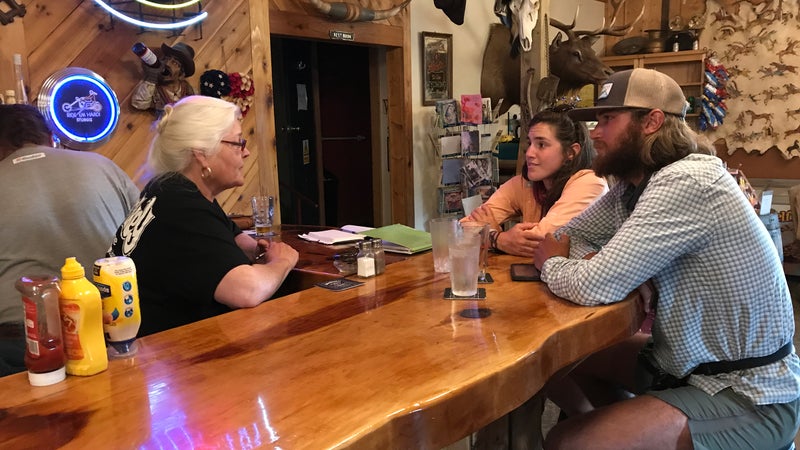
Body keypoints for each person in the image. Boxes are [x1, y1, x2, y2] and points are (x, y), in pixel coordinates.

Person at [533, 68, 800, 449]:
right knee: (556, 361)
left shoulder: (686, 181)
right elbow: (569, 235)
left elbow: (589, 280)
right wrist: (605, 259)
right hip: (681, 367)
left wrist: (554, 264)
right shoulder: (635, 184)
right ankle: (626, 430)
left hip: (749, 393)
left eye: (607, 119)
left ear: (652, 122)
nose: (594, 132)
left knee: (567, 442)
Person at [108, 95, 299, 337]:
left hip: (152, 350)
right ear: (202, 154)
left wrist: (256, 250)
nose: (247, 152)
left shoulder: (166, 189)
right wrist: (281, 260)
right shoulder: (182, 205)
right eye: (238, 143)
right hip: (163, 356)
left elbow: (228, 233)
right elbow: (247, 292)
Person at [0, 104, 139, 376]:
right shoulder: (103, 166)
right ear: (51, 137)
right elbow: (147, 235)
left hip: (23, 347)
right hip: (115, 332)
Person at [463, 109, 607, 257]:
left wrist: (495, 237)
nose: (529, 153)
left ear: (570, 152)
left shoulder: (590, 183)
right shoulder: (525, 183)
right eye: (530, 143)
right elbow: (464, 227)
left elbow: (543, 243)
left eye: (541, 144)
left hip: (578, 279)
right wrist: (499, 238)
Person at [131, 42, 196, 114]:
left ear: (182, 74)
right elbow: (139, 103)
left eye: (175, 63)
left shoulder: (190, 91)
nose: (167, 64)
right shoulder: (154, 90)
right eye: (166, 59)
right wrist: (151, 78)